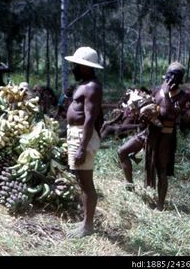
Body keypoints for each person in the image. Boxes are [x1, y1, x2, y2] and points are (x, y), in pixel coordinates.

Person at [65, 46, 104, 237]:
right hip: (76, 134)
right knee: (81, 180)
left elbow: (90, 119)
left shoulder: (92, 87)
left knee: (87, 182)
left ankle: (88, 227)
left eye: (76, 65)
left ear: (85, 67)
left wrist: (82, 148)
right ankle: (84, 223)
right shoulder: (84, 84)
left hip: (83, 137)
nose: (73, 68)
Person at [145, 62, 190, 211]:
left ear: (180, 80)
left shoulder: (183, 96)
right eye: (170, 76)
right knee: (150, 164)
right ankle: (146, 195)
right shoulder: (157, 90)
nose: (171, 80)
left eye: (176, 77)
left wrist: (166, 95)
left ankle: (160, 206)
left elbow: (170, 114)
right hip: (152, 134)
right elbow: (152, 108)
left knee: (162, 169)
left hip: (166, 137)